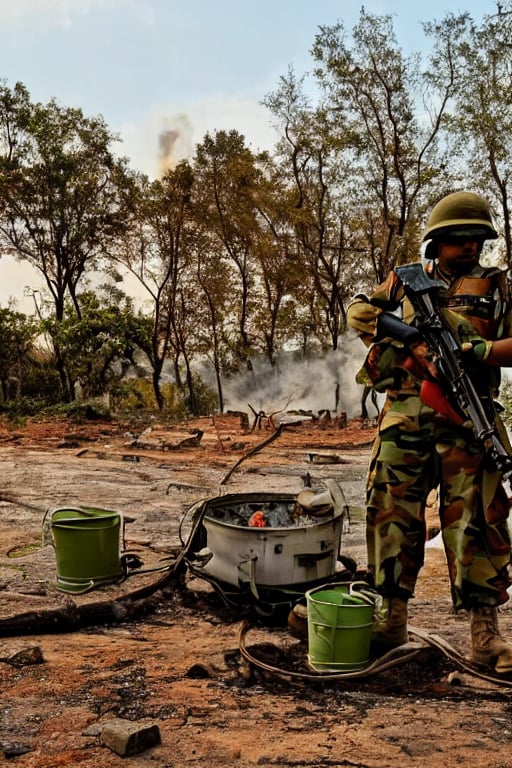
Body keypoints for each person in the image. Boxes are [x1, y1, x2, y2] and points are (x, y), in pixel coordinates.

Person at [347, 190, 512, 674]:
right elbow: (359, 313)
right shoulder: (404, 281)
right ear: (438, 241)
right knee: (391, 513)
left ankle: (486, 636)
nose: (472, 247)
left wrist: (477, 353)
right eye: (461, 239)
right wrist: (412, 338)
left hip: (468, 417)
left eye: (478, 238)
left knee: (478, 523)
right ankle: (391, 619)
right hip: (405, 414)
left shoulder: (497, 286)